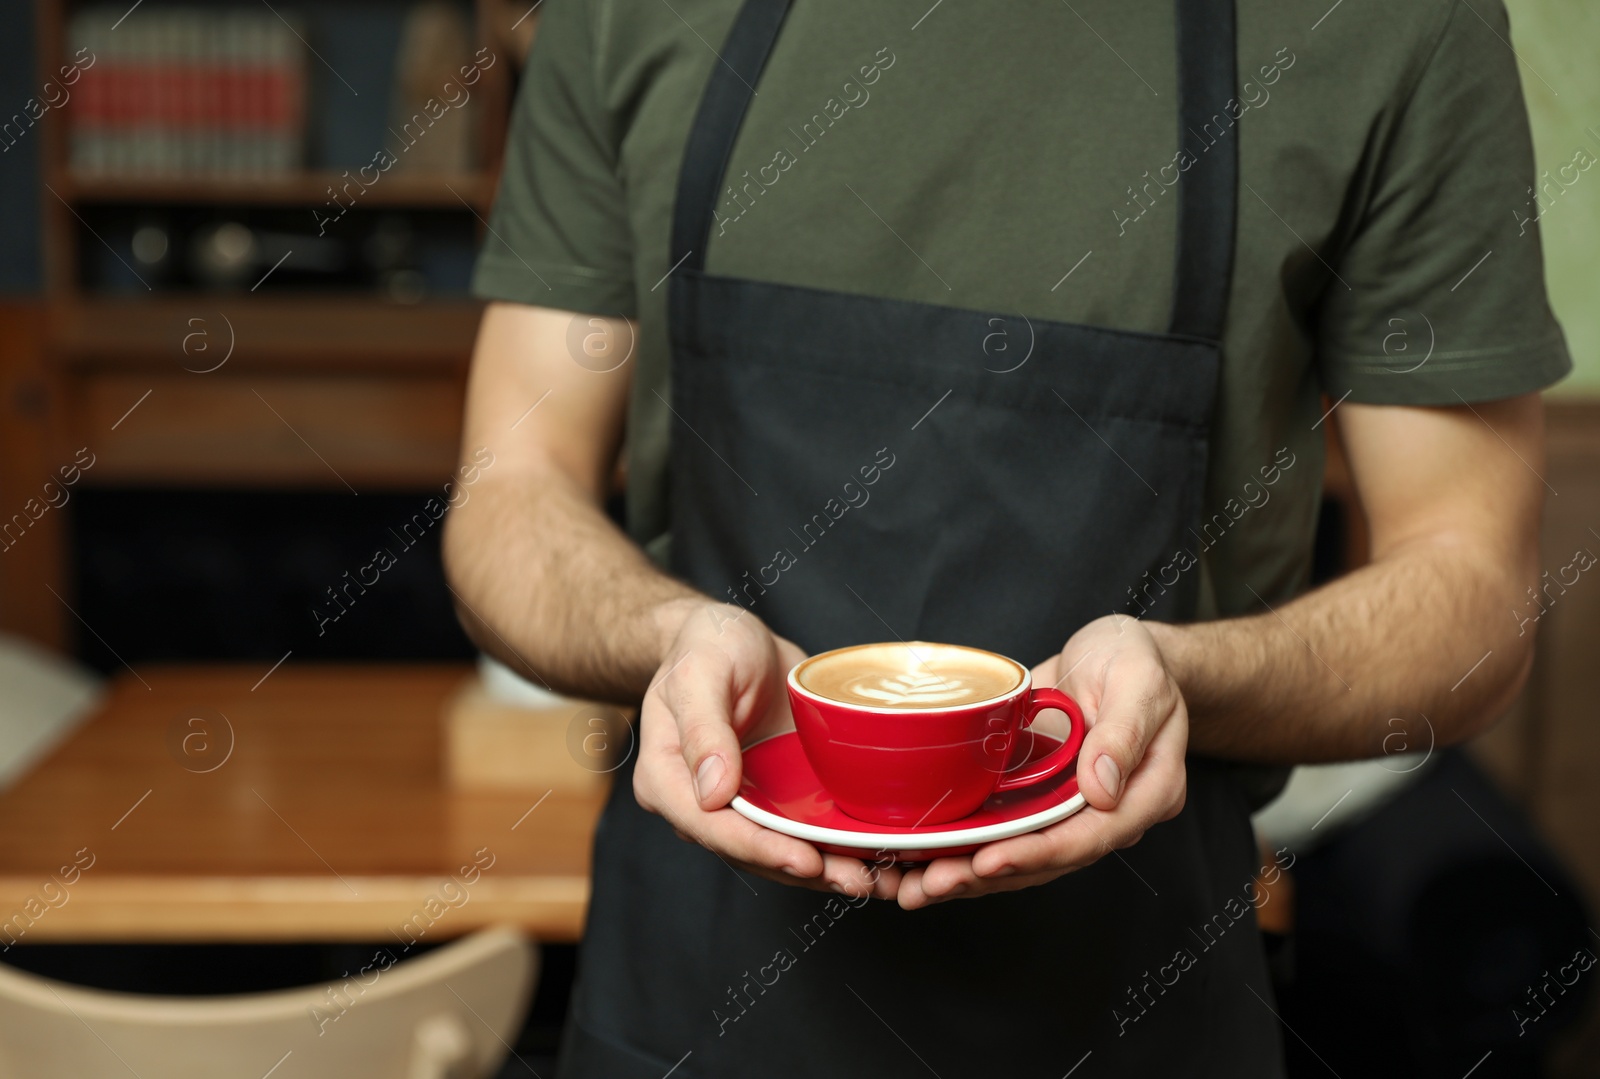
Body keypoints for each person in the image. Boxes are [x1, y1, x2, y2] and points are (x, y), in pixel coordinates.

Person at [443, 0, 1569, 1074]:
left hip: (1139, 1013)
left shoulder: (1392, 27)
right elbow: (510, 492)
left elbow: (1468, 587)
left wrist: (1186, 675)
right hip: (689, 1015)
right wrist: (668, 634)